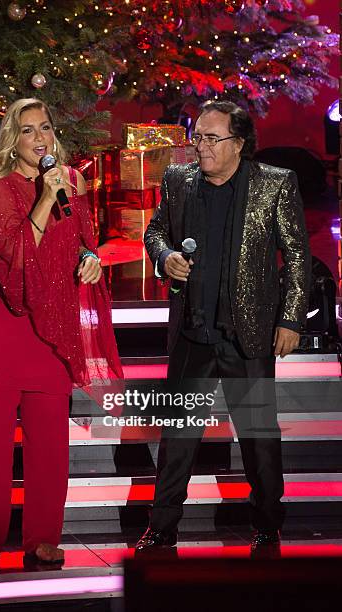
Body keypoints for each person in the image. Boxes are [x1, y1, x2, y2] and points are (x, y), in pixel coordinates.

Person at [0, 98, 122, 573]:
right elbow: (12, 255)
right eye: (28, 130)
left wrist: (91, 260)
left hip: (49, 323)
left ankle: (43, 537)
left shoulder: (69, 183)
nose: (40, 137)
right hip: (1, 325)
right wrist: (46, 196)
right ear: (13, 140)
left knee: (49, 440)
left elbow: (85, 240)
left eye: (45, 127)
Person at [136, 100, 311, 553]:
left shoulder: (274, 184)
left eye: (212, 138)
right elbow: (154, 231)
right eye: (197, 137)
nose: (201, 147)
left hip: (247, 335)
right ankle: (162, 528)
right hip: (194, 334)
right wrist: (164, 256)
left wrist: (291, 319)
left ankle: (268, 524)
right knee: (177, 439)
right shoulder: (178, 181)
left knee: (258, 439)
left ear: (239, 144)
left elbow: (296, 257)